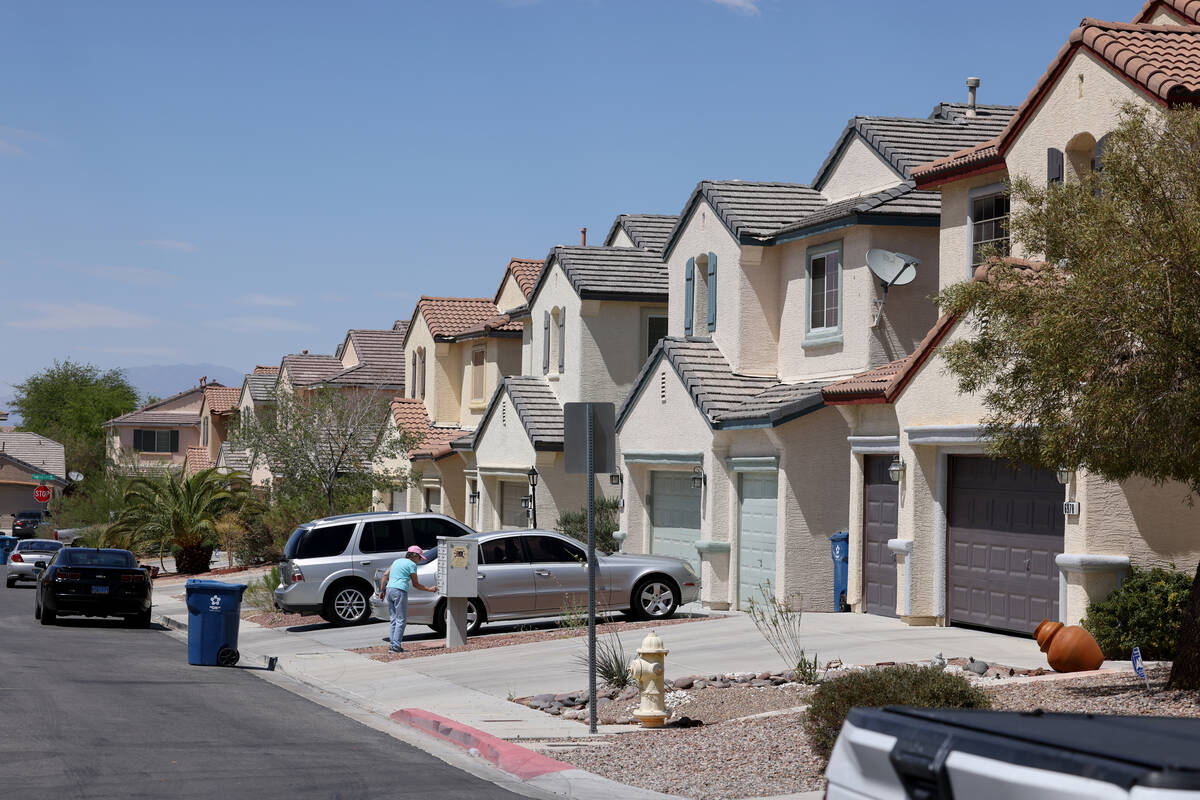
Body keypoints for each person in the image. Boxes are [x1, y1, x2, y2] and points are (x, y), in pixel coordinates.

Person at [378, 545, 437, 653]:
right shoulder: (411, 565)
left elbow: (385, 575)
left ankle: (393, 645)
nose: (419, 560)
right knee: (401, 619)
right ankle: (395, 647)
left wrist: (382, 591)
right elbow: (416, 585)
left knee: (393, 619)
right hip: (400, 591)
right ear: (415, 556)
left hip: (389, 589)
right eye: (419, 558)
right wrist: (430, 589)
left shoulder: (397, 561)